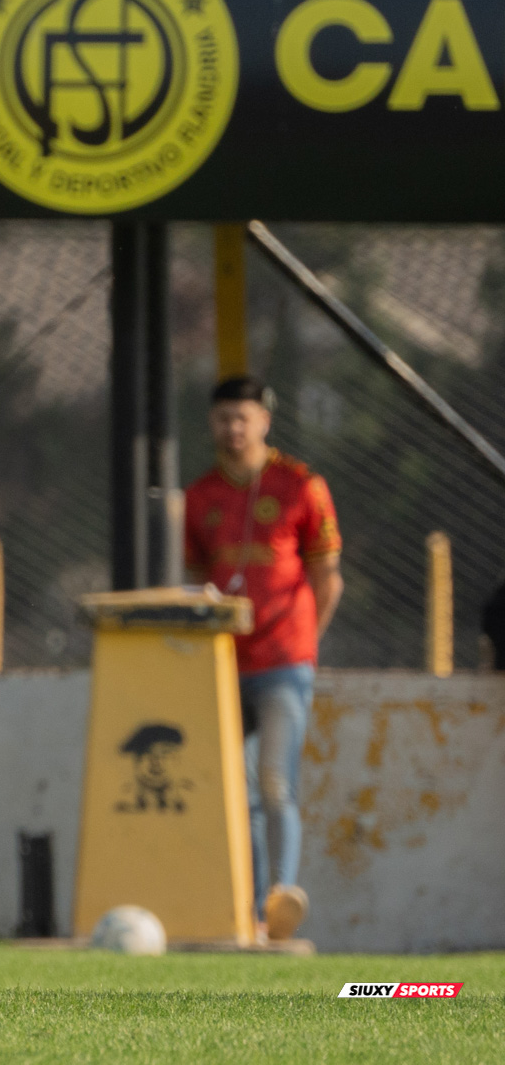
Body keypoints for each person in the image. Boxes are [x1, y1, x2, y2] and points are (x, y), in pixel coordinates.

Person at [184, 376, 343, 944]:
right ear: (212, 423)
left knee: (276, 783)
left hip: (284, 662)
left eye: (243, 417)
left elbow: (328, 578)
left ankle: (282, 895)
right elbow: (199, 576)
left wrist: (305, 643)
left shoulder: (300, 485)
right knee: (237, 791)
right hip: (226, 664)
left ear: (264, 421)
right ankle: (249, 912)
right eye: (223, 417)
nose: (233, 428)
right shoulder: (200, 495)